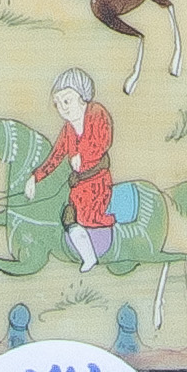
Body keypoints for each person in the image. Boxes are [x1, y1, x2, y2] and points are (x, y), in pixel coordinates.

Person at [24, 69, 117, 267]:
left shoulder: (97, 113)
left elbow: (104, 142)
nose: (62, 108)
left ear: (82, 97)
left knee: (83, 215)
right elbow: (55, 156)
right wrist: (35, 177)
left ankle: (95, 252)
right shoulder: (67, 130)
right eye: (58, 104)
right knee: (67, 216)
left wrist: (81, 156)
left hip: (97, 183)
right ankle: (88, 256)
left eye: (67, 101)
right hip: (78, 188)